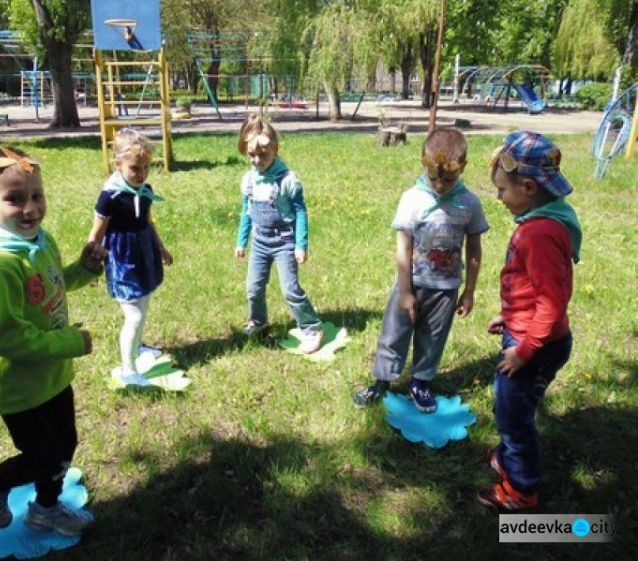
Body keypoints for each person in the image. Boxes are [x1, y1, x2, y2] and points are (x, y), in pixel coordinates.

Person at [0, 147, 106, 536]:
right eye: (14, 199)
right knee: (44, 455)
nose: (30, 209)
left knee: (64, 444)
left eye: (36, 196)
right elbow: (6, 338)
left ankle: (46, 508)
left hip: (50, 374)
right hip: (17, 382)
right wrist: (70, 342)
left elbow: (48, 288)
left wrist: (82, 270)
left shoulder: (37, 242)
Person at [477, 131, 581, 511]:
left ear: (529, 187)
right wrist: (508, 316)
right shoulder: (546, 219)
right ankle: (508, 455)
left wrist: (524, 351)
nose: (499, 198)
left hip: (536, 346)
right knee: (511, 407)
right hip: (527, 334)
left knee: (514, 415)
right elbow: (532, 291)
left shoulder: (539, 234)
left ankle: (520, 490)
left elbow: (551, 303)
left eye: (503, 190)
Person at [353, 128, 488, 411]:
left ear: (462, 168)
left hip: (446, 289)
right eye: (434, 177)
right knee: (394, 333)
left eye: (448, 179)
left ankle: (420, 382)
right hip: (411, 283)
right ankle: (382, 382)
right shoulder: (412, 199)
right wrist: (405, 291)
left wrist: (469, 291)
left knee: (433, 338)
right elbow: (403, 247)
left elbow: (474, 251)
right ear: (423, 165)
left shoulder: (470, 203)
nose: (440, 185)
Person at [88, 129, 173, 386]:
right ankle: (128, 369)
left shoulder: (145, 189)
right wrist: (89, 264)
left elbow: (147, 220)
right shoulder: (109, 196)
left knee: (143, 306)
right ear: (118, 164)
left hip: (144, 252)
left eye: (146, 167)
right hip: (122, 258)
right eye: (135, 168)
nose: (142, 174)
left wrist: (160, 247)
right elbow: (97, 232)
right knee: (133, 314)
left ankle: (137, 347)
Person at [234, 114, 324, 354]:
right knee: (253, 288)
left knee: (290, 290)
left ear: (275, 148)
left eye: (262, 154)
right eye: (251, 155)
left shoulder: (287, 180)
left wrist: (300, 244)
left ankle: (312, 326)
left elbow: (300, 211)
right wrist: (241, 241)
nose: (256, 160)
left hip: (284, 241)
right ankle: (258, 320)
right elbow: (247, 211)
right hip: (260, 242)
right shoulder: (250, 180)